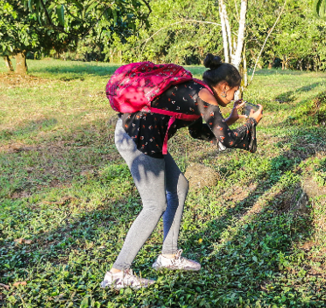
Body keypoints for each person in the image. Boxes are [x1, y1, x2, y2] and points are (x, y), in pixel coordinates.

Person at [101, 54, 263, 289]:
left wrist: (232, 118)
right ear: (225, 87)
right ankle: (117, 273)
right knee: (154, 205)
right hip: (136, 138)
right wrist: (252, 122)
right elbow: (226, 140)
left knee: (179, 187)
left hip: (146, 137)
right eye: (235, 90)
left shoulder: (198, 90)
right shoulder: (205, 96)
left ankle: (168, 256)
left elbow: (201, 132)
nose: (236, 96)